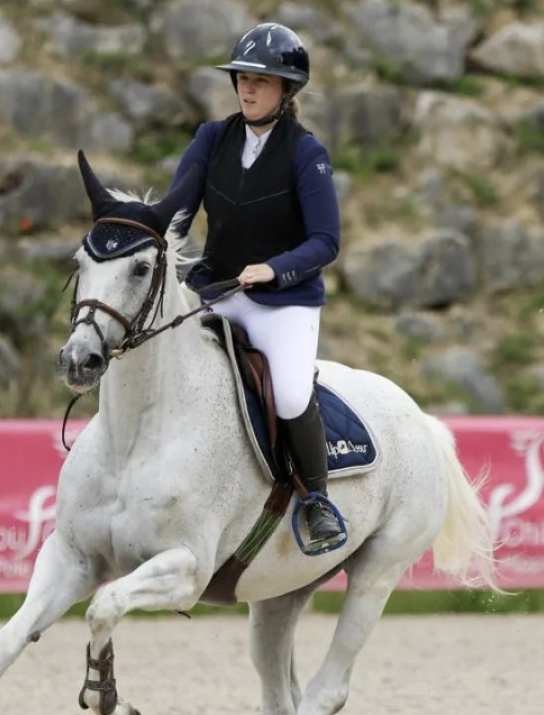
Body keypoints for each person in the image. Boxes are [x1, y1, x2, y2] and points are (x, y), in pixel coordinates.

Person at [169, 22, 343, 550]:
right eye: (243, 78)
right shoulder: (211, 138)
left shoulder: (304, 152)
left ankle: (316, 501)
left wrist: (274, 268)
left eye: (261, 81)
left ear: (286, 90)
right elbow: (177, 211)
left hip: (282, 303)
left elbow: (326, 241)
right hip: (217, 292)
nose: (247, 88)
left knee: (289, 395)